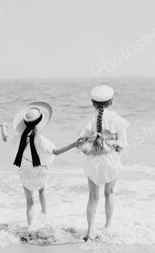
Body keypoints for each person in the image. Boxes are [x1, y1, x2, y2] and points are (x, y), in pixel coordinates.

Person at [13, 102, 84, 226]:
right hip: (40, 173)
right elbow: (56, 152)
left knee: (29, 202)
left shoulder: (19, 139)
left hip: (25, 173)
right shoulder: (41, 140)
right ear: (39, 124)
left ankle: (30, 226)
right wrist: (73, 144)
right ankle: (44, 215)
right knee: (42, 191)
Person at [77, 85, 129, 241]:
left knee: (93, 197)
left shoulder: (89, 120)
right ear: (111, 102)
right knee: (109, 193)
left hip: (93, 161)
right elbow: (123, 144)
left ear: (93, 103)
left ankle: (90, 231)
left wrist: (94, 148)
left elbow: (81, 142)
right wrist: (113, 150)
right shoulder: (117, 120)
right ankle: (107, 226)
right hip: (110, 160)